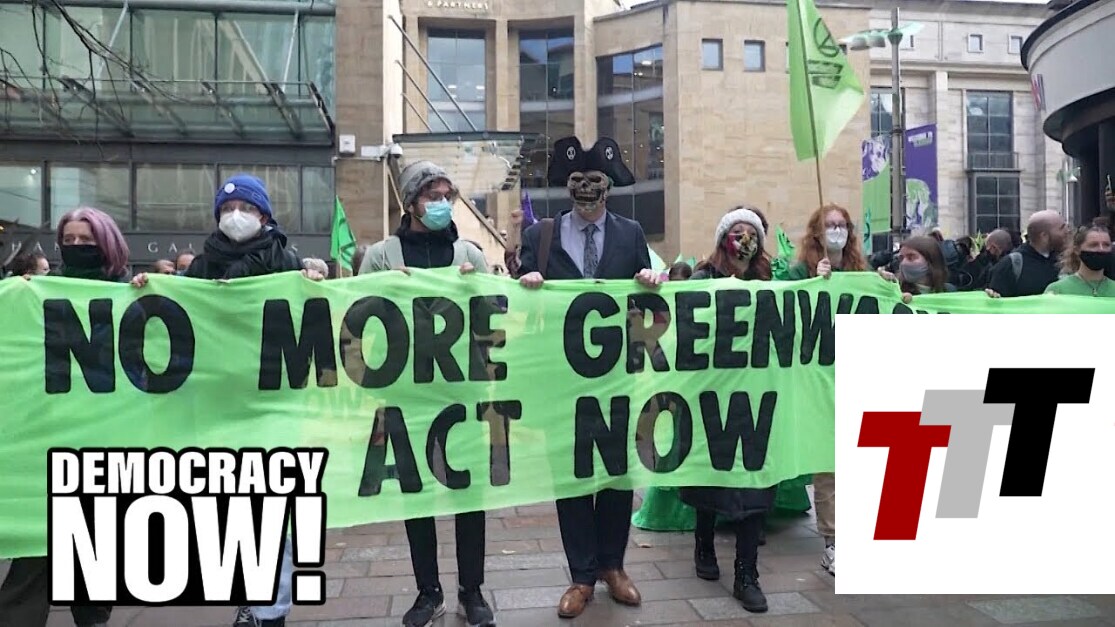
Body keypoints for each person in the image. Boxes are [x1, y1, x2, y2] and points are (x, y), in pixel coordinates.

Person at [132, 175, 318, 627]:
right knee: (234, 507)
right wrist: (146, 292)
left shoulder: (286, 261)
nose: (236, 215)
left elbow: (311, 317)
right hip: (219, 403)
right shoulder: (201, 267)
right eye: (228, 208)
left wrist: (316, 283)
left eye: (246, 208)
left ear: (264, 215)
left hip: (273, 402)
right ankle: (250, 595)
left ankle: (271, 609)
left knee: (275, 507)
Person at [518, 136, 660, 619]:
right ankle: (581, 575)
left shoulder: (631, 233)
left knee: (618, 472)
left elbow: (646, 306)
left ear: (608, 186)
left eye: (594, 180)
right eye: (577, 180)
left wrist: (651, 283)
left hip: (618, 376)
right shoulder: (539, 237)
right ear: (567, 184)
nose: (585, 188)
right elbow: (519, 304)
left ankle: (613, 566)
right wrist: (528, 284)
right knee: (572, 473)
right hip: (562, 380)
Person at [358, 160, 494, 627]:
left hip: (462, 392)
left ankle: (472, 590)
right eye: (431, 196)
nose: (440, 204)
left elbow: (494, 319)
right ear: (411, 202)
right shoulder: (383, 255)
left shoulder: (469, 254)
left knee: (468, 495)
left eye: (445, 197)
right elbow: (356, 314)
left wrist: (487, 290)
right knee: (416, 494)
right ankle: (427, 591)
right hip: (407, 396)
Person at [0, 207, 130, 627]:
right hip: (50, 437)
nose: (76, 246)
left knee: (95, 549)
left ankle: (92, 614)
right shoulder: (39, 294)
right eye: (69, 240)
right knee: (36, 551)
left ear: (107, 243)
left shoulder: (130, 295)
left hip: (106, 439)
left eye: (85, 240)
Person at [680, 206, 776, 613]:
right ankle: (704, 543)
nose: (744, 239)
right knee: (710, 472)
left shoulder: (769, 281)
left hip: (755, 395)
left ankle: (746, 573)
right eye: (737, 231)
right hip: (711, 392)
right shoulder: (703, 278)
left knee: (756, 477)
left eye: (751, 232)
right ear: (723, 239)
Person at [784, 203, 866, 576]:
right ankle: (833, 541)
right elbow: (783, 309)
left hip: (854, 376)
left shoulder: (860, 272)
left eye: (842, 224)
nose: (837, 230)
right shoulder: (800, 271)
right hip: (817, 380)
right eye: (830, 225)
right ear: (816, 232)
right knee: (828, 463)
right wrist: (812, 285)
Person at [987, 210, 1068, 297]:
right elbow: (996, 302)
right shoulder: (1011, 265)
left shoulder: (1064, 260)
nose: (1067, 231)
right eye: (1062, 228)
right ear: (1044, 235)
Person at [1045, 225, 1115, 297]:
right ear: (1077, 250)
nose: (1101, 249)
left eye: (1106, 245)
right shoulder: (1057, 290)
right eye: (1094, 245)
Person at [878, 235, 953, 302]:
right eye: (901, 258)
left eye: (911, 257)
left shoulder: (949, 291)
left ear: (930, 260)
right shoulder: (894, 290)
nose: (904, 263)